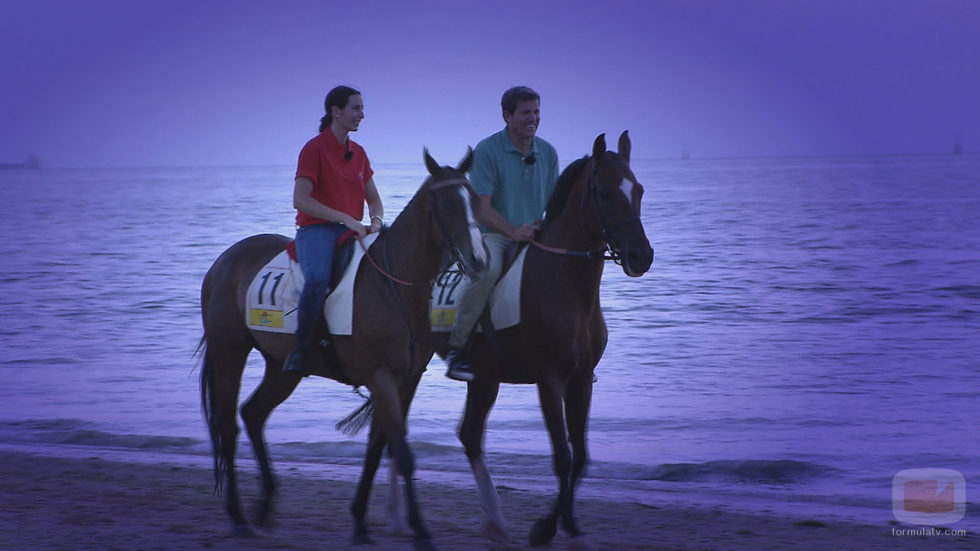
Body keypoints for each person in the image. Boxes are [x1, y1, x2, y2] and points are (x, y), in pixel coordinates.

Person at [445, 86, 559, 382]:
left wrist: (544, 228)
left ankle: (574, 351)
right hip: (495, 234)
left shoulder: (548, 152)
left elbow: (555, 204)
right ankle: (458, 349)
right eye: (525, 113)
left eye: (536, 112)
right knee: (486, 273)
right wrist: (512, 231)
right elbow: (481, 209)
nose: (532, 118)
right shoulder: (487, 150)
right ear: (507, 115)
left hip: (537, 234)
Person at [283, 85, 384, 376]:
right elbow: (300, 200)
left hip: (354, 230)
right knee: (317, 279)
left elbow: (374, 199)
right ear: (335, 112)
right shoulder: (313, 149)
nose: (361, 115)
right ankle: (301, 351)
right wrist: (344, 218)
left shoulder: (360, 153)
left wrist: (376, 220)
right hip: (316, 231)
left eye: (363, 108)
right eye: (356, 108)